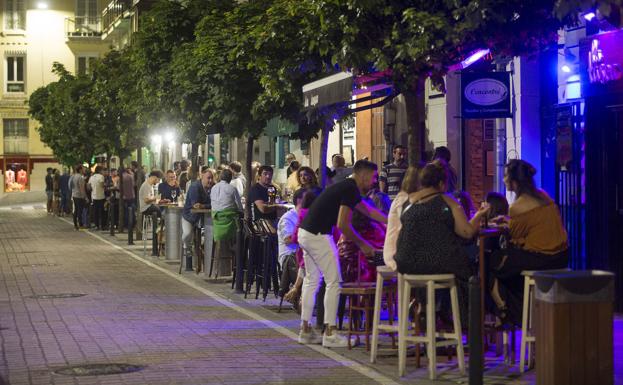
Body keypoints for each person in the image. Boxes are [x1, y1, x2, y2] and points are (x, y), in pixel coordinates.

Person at [297, 160, 388, 347]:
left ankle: (305, 330)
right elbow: (342, 224)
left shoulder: (346, 187)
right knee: (334, 282)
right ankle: (330, 333)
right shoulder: (349, 189)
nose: (373, 182)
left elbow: (368, 210)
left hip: (305, 233)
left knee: (311, 280)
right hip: (319, 235)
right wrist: (363, 244)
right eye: (372, 178)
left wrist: (390, 220)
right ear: (363, 176)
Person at [393, 160, 490, 324]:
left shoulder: (408, 203)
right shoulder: (447, 201)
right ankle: (463, 320)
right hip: (435, 262)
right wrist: (480, 215)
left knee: (440, 267)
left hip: (406, 264)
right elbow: (466, 232)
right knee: (469, 270)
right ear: (441, 184)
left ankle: (428, 311)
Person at [488, 160, 568, 326]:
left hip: (541, 259)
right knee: (507, 268)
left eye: (505, 177)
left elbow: (515, 237)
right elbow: (534, 226)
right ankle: (513, 311)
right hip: (561, 257)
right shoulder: (543, 195)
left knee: (490, 262)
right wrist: (510, 222)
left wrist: (507, 224)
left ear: (514, 182)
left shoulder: (516, 207)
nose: (503, 180)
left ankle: (504, 309)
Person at [383, 165, 421, 270]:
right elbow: (408, 227)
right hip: (396, 254)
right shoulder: (403, 199)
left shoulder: (408, 197)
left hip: (403, 251)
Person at [210, 168, 243, 277]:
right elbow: (240, 207)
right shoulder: (232, 189)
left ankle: (215, 270)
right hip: (230, 227)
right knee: (242, 236)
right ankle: (237, 259)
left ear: (220, 177)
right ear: (230, 178)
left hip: (217, 226)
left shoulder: (213, 188)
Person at [182, 167, 215, 261]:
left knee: (208, 235)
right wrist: (207, 205)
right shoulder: (195, 187)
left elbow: (214, 203)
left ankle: (202, 258)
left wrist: (204, 206)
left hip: (203, 218)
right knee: (187, 234)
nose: (210, 180)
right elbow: (195, 205)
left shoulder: (212, 187)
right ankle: (186, 247)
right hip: (189, 217)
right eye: (208, 178)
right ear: (202, 177)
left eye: (212, 178)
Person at [69, 165, 87, 230]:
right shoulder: (80, 177)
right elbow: (82, 188)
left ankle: (75, 225)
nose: (84, 170)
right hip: (79, 196)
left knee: (76, 210)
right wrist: (85, 197)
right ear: (80, 170)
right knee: (80, 210)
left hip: (74, 195)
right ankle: (81, 225)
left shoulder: (73, 176)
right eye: (83, 169)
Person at [88, 166, 106, 230]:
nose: (103, 172)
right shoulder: (101, 177)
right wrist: (105, 185)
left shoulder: (91, 177)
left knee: (95, 212)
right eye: (102, 170)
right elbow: (102, 185)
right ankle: (103, 225)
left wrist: (93, 189)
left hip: (94, 196)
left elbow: (89, 187)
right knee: (102, 211)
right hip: (101, 196)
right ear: (100, 170)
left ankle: (97, 225)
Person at [121, 165, 135, 236]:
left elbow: (118, 187)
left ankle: (126, 224)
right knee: (131, 210)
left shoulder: (122, 177)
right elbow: (133, 184)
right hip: (131, 195)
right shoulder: (131, 176)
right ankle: (131, 224)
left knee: (126, 211)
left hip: (124, 196)